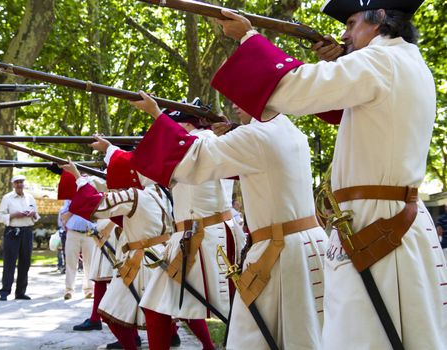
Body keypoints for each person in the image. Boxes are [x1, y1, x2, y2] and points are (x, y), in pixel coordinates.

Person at [213, 0, 447, 348]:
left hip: (376, 223)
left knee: (364, 335)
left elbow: (298, 90)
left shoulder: (380, 60)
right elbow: (353, 108)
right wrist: (340, 61)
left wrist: (249, 39)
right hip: (390, 220)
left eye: (352, 23)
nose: (345, 33)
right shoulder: (405, 61)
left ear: (379, 17)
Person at [129, 92, 328, 349]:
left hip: (277, 251)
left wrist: (157, 115)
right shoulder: (288, 129)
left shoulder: (252, 136)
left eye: (241, 94)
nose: (234, 104)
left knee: (263, 338)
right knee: (302, 332)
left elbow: (195, 157)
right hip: (304, 244)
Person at [120, 103, 238, 350]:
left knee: (157, 307)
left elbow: (151, 171)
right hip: (198, 235)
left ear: (185, 124)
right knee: (159, 307)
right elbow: (150, 175)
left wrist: (156, 114)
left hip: (203, 237)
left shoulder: (201, 141)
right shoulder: (202, 141)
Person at [61, 147, 174, 350]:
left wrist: (77, 176)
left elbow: (94, 204)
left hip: (141, 261)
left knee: (113, 313)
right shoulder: (164, 191)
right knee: (158, 318)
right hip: (161, 257)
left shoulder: (136, 195)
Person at [0, 175, 40, 301]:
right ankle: (5, 291)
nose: (19, 185)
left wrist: (33, 214)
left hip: (27, 231)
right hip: (12, 232)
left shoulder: (30, 197)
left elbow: (36, 216)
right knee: (9, 262)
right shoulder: (7, 198)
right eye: (17, 183)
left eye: (21, 182)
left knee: (25, 262)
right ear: (13, 185)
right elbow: (0, 217)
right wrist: (13, 215)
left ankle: (20, 292)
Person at [72, 218, 118, 332]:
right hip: (105, 232)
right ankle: (95, 318)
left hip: (113, 233)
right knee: (100, 278)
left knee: (119, 282)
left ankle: (131, 332)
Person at [59, 199, 96, 300]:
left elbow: (97, 214)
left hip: (89, 233)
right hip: (72, 233)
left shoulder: (91, 196)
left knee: (89, 263)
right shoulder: (70, 199)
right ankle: (69, 290)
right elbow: (63, 216)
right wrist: (76, 207)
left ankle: (89, 289)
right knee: (71, 262)